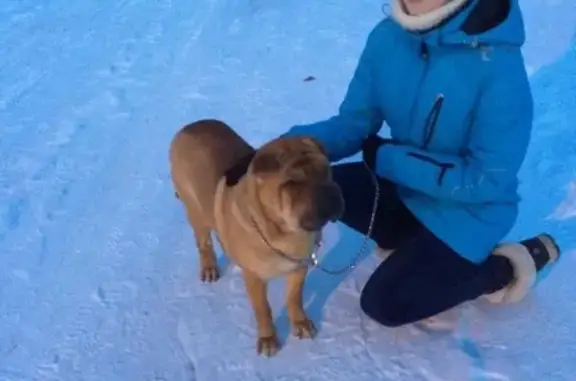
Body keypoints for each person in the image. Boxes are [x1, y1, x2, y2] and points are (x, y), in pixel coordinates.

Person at [227, 0, 562, 328]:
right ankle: (408, 242)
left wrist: (390, 160)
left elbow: (485, 179)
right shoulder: (387, 38)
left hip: (468, 215)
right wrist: (277, 153)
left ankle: (508, 266)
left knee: (386, 304)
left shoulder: (499, 69)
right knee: (330, 187)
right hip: (408, 189)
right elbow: (354, 123)